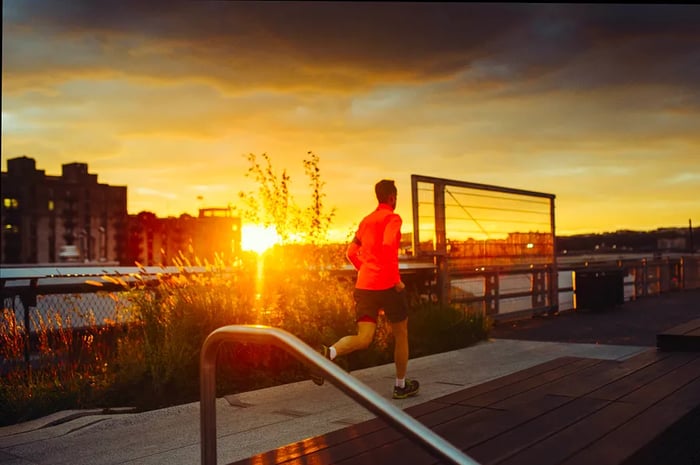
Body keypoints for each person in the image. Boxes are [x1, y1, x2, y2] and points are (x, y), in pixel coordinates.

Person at [311, 179, 419, 400]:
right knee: (401, 334)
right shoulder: (393, 218)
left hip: (365, 286)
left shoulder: (365, 221)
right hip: (388, 286)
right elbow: (389, 246)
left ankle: (327, 354)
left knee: (363, 338)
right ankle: (400, 386)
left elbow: (351, 252)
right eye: (395, 197)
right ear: (392, 197)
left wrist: (366, 270)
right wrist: (396, 280)